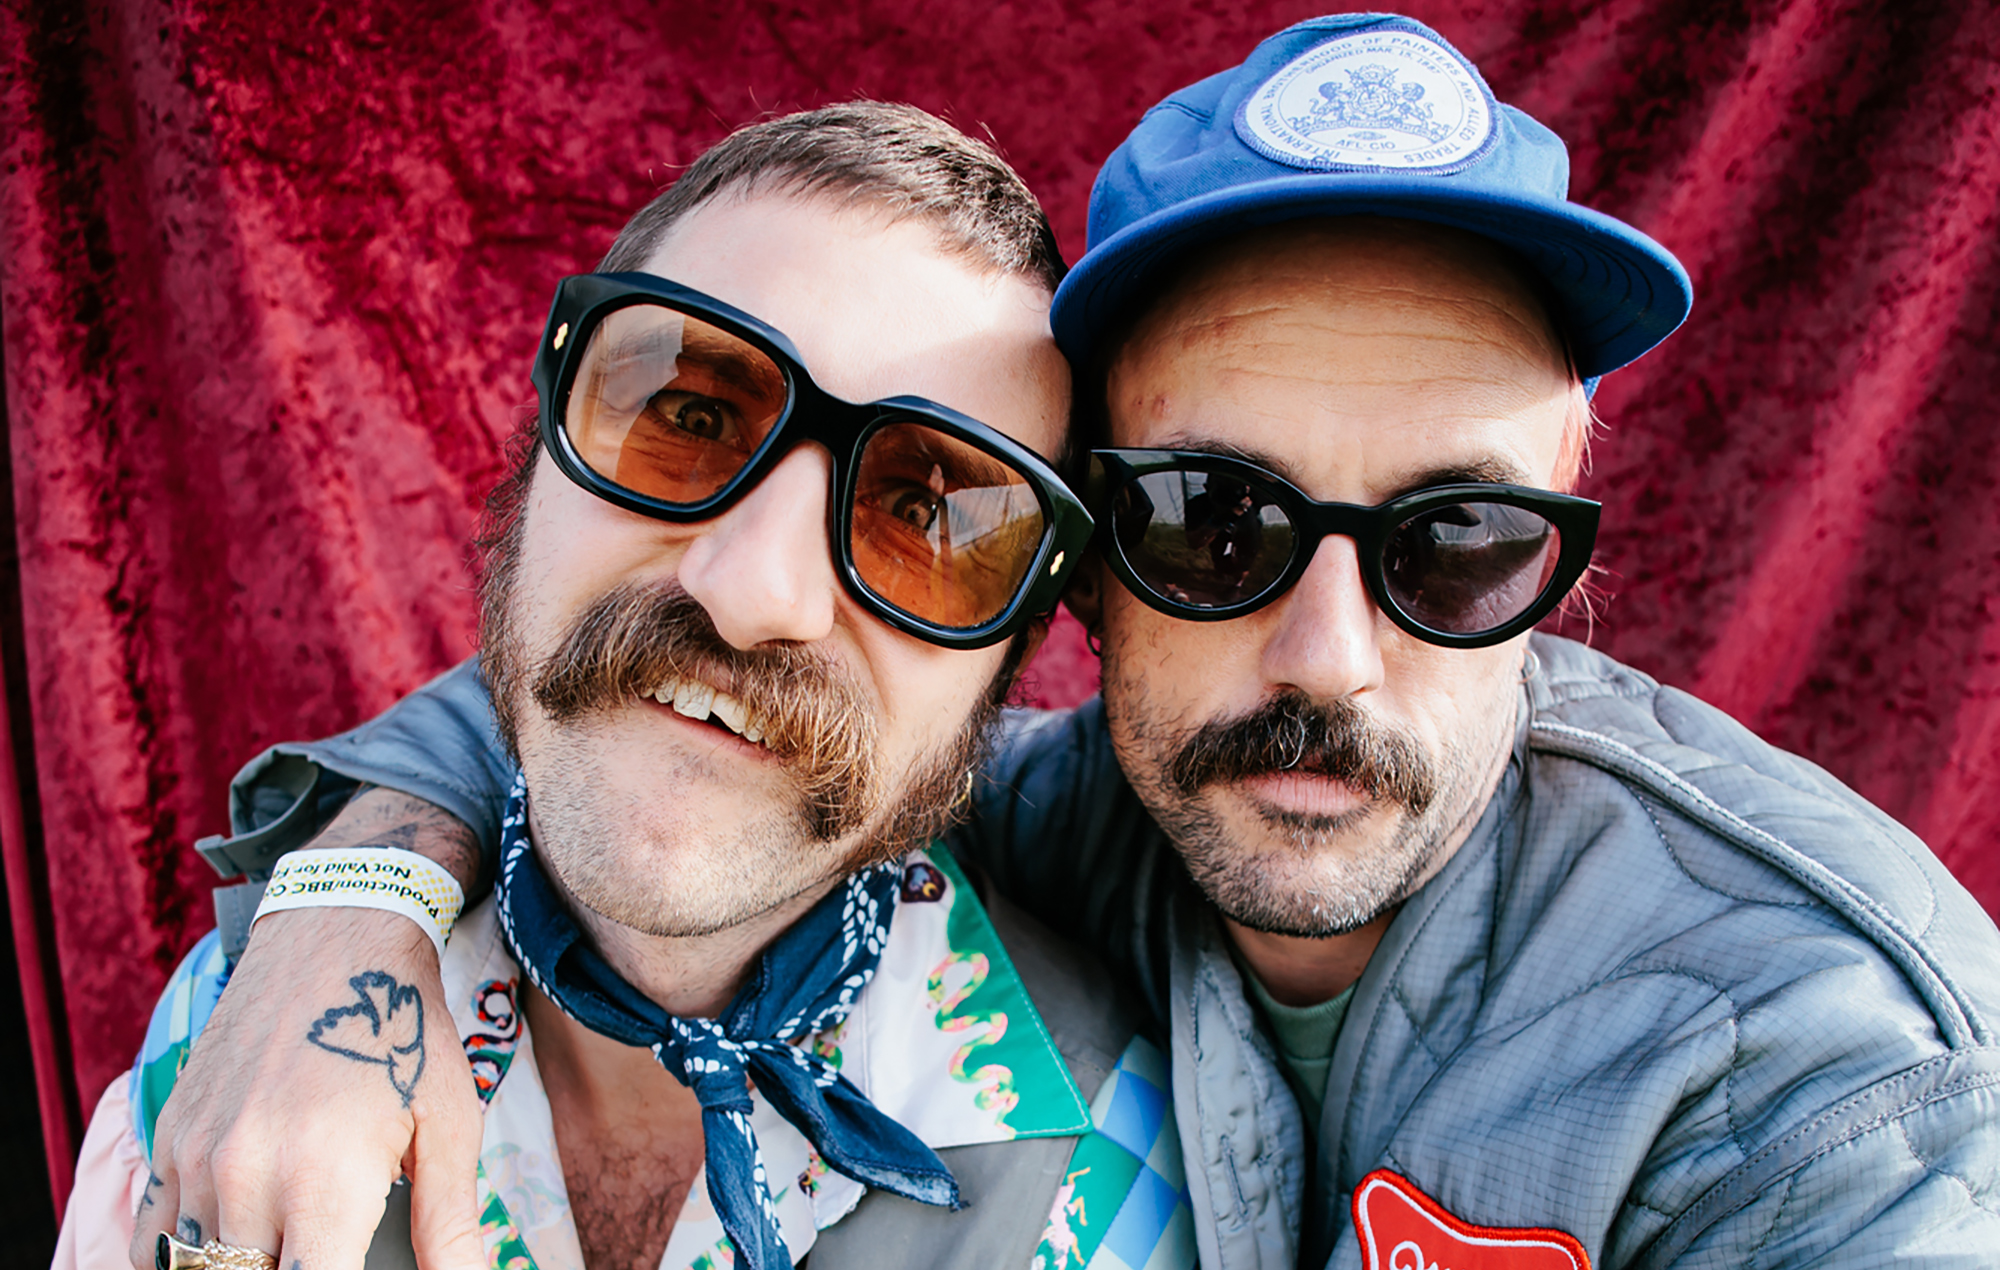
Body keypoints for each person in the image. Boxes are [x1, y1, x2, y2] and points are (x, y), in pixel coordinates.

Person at [104, 12, 2000, 1270]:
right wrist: (354, 892)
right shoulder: (1045, 804)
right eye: (1214, 525)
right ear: (1072, 593)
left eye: (1459, 543)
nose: (1327, 655)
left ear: (1561, 583)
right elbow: (665, 694)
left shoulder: (1825, 1068)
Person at [56, 103, 1200, 1270]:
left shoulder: (1104, 1179)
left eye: (922, 516)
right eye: (688, 417)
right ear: (532, 449)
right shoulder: (243, 1025)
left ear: (1009, 669)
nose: (755, 590)